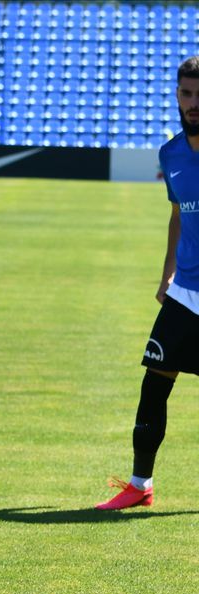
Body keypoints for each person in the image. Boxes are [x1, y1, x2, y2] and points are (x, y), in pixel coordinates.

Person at [97, 55, 199, 511]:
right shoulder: (171, 153)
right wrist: (168, 275)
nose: (194, 103)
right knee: (155, 383)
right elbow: (178, 215)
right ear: (177, 96)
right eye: (187, 94)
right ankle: (140, 485)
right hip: (184, 293)